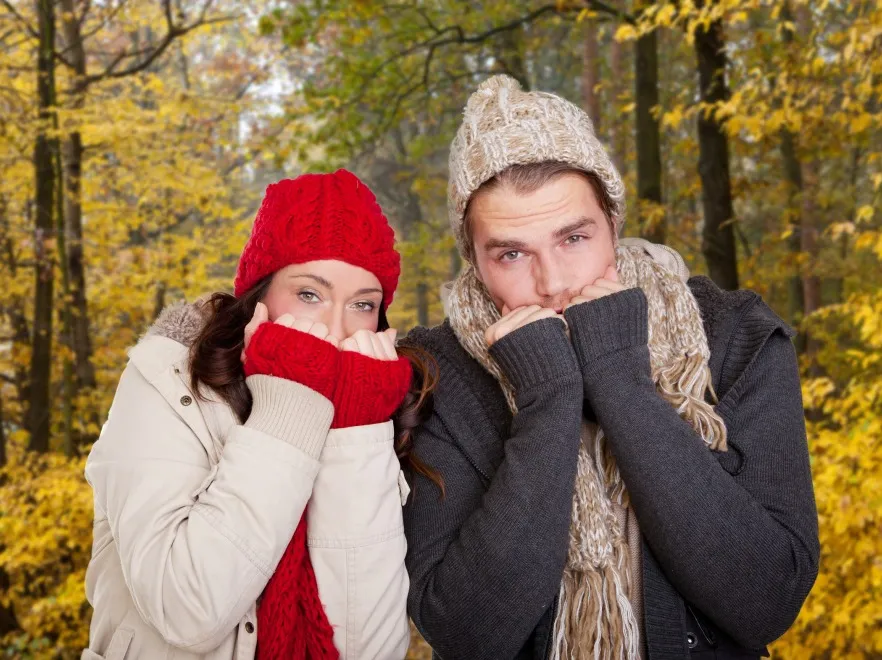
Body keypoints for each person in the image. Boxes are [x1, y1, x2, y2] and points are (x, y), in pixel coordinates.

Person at [402, 75, 819, 660]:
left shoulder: (735, 335)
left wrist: (621, 380)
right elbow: (467, 635)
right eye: (512, 253)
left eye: (574, 238)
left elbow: (768, 600)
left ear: (613, 224)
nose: (553, 283)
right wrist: (547, 399)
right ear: (473, 258)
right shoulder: (434, 375)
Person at [82, 170, 430, 660]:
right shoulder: (166, 381)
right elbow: (188, 612)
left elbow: (369, 650)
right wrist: (290, 405)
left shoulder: (373, 408)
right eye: (309, 294)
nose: (335, 329)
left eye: (362, 304)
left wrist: (355, 428)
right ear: (259, 296)